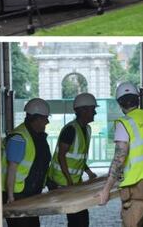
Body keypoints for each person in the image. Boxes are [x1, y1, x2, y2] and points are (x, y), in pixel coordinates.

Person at [97, 82, 143, 227]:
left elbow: (120, 157)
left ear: (120, 103)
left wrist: (106, 190)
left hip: (137, 185)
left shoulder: (124, 123)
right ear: (138, 99)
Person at [47, 92, 99, 227]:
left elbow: (78, 156)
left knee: (80, 217)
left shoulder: (86, 129)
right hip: (62, 181)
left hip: (73, 181)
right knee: (78, 218)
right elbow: (61, 156)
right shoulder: (70, 130)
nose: (95, 113)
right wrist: (69, 181)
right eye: (93, 109)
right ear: (82, 110)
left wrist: (88, 172)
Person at [2, 98, 53, 227]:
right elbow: (12, 169)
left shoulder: (38, 136)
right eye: (45, 118)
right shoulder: (19, 138)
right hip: (17, 196)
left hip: (30, 195)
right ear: (37, 119)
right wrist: (10, 197)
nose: (47, 121)